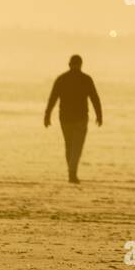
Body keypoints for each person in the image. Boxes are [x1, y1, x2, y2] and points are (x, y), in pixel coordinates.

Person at [43, 55, 102, 183]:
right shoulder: (85, 79)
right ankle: (72, 172)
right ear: (80, 64)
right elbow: (94, 98)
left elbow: (52, 98)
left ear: (70, 64)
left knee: (70, 146)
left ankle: (71, 172)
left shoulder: (62, 79)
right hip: (77, 118)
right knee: (76, 146)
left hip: (67, 118)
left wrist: (47, 115)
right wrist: (99, 115)